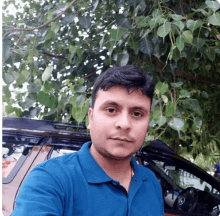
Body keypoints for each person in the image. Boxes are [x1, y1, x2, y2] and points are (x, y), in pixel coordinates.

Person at [11, 65, 164, 216]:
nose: (124, 124)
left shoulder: (150, 182)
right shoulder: (50, 179)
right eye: (111, 110)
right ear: (91, 117)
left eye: (137, 114)